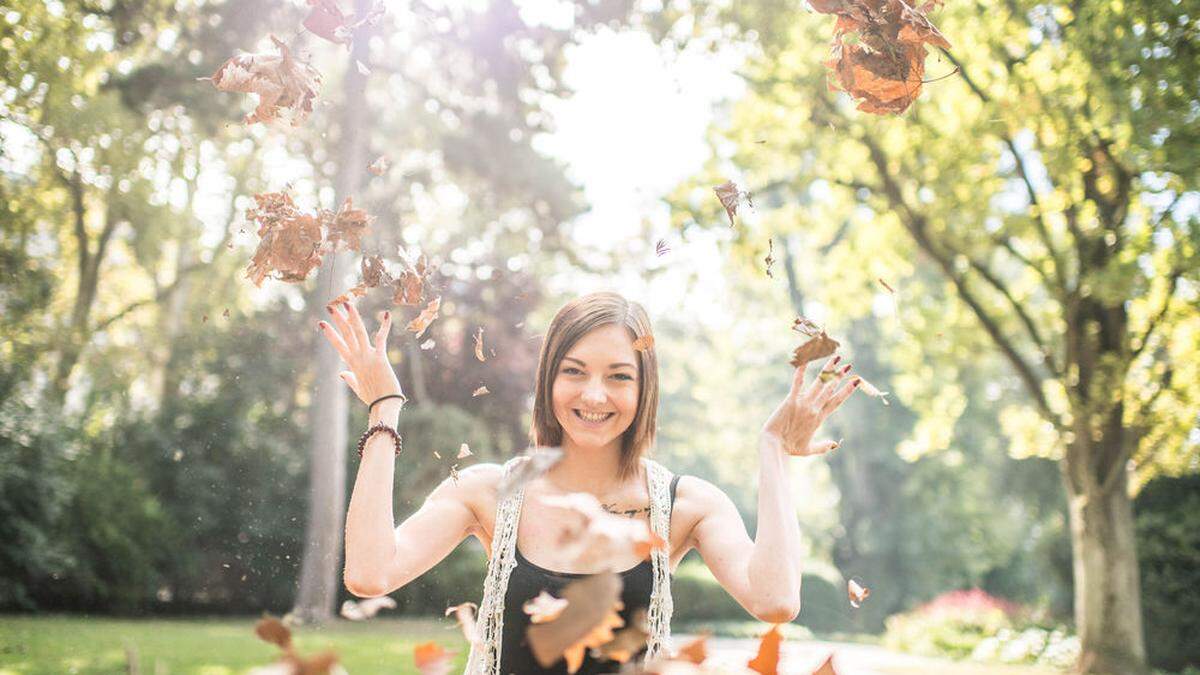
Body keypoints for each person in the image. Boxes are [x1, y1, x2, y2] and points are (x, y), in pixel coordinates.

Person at [317, 291, 860, 674]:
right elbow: (370, 574)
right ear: (548, 379)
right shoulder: (487, 492)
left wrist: (775, 452)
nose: (594, 395)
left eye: (619, 376)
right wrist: (383, 410)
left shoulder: (686, 505)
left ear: (645, 387)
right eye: (573, 371)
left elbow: (775, 600)